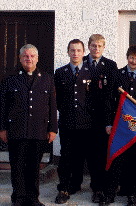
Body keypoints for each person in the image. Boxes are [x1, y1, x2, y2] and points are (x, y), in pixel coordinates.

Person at [0, 44, 57, 206]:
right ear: (20, 58)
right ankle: (18, 198)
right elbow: (2, 105)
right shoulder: (10, 79)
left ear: (37, 58)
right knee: (17, 166)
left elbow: (52, 106)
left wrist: (53, 129)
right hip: (16, 131)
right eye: (25, 56)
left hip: (38, 131)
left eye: (32, 56)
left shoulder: (46, 79)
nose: (29, 59)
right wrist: (2, 128)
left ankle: (33, 198)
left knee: (33, 167)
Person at [103, 45, 136, 206]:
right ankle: (110, 193)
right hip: (119, 127)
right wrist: (108, 123)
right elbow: (109, 101)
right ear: (127, 57)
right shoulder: (117, 75)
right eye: (131, 57)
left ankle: (132, 194)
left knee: (135, 162)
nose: (133, 61)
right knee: (116, 159)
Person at [54, 39, 103, 204]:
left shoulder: (93, 72)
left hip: (90, 124)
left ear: (84, 52)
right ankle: (66, 188)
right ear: (68, 52)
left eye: (78, 50)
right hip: (68, 123)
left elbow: (98, 99)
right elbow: (57, 100)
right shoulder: (60, 73)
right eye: (72, 50)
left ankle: (97, 189)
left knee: (94, 158)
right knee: (67, 157)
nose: (75, 53)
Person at [83, 34, 118, 203]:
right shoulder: (81, 63)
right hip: (84, 118)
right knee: (91, 155)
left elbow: (111, 95)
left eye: (99, 46)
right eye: (93, 45)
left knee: (103, 155)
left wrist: (109, 121)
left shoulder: (111, 66)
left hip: (103, 119)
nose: (96, 49)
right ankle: (95, 187)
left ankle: (104, 188)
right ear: (88, 46)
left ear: (104, 48)